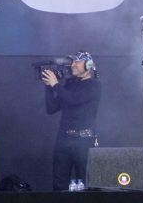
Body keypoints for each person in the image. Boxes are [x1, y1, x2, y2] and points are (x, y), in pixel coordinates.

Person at [42, 51, 101, 191]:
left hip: (84, 140)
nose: (72, 65)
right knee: (59, 183)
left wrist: (55, 85)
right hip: (64, 139)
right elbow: (51, 109)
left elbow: (74, 100)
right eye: (72, 62)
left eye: (77, 62)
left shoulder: (94, 85)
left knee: (87, 185)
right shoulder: (69, 85)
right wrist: (48, 86)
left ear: (88, 65)